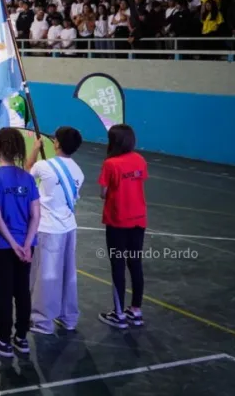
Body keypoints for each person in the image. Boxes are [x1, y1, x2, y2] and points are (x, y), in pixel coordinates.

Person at [0, 127, 40, 358]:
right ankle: (21, 338)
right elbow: (36, 215)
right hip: (26, 245)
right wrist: (26, 244)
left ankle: (4, 341)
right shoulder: (28, 178)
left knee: (4, 292)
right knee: (22, 290)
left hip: (1, 245)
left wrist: (14, 245)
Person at [25, 127, 85, 334]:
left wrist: (34, 148)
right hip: (69, 227)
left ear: (57, 144)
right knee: (68, 273)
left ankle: (43, 321)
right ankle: (68, 317)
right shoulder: (78, 171)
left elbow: (27, 173)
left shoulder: (44, 165)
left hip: (49, 228)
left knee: (46, 275)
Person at [98, 124, 148, 329]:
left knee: (118, 265)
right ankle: (136, 310)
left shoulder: (111, 164)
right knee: (135, 264)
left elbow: (103, 192)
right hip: (139, 219)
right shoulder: (140, 160)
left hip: (118, 221)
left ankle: (118, 314)